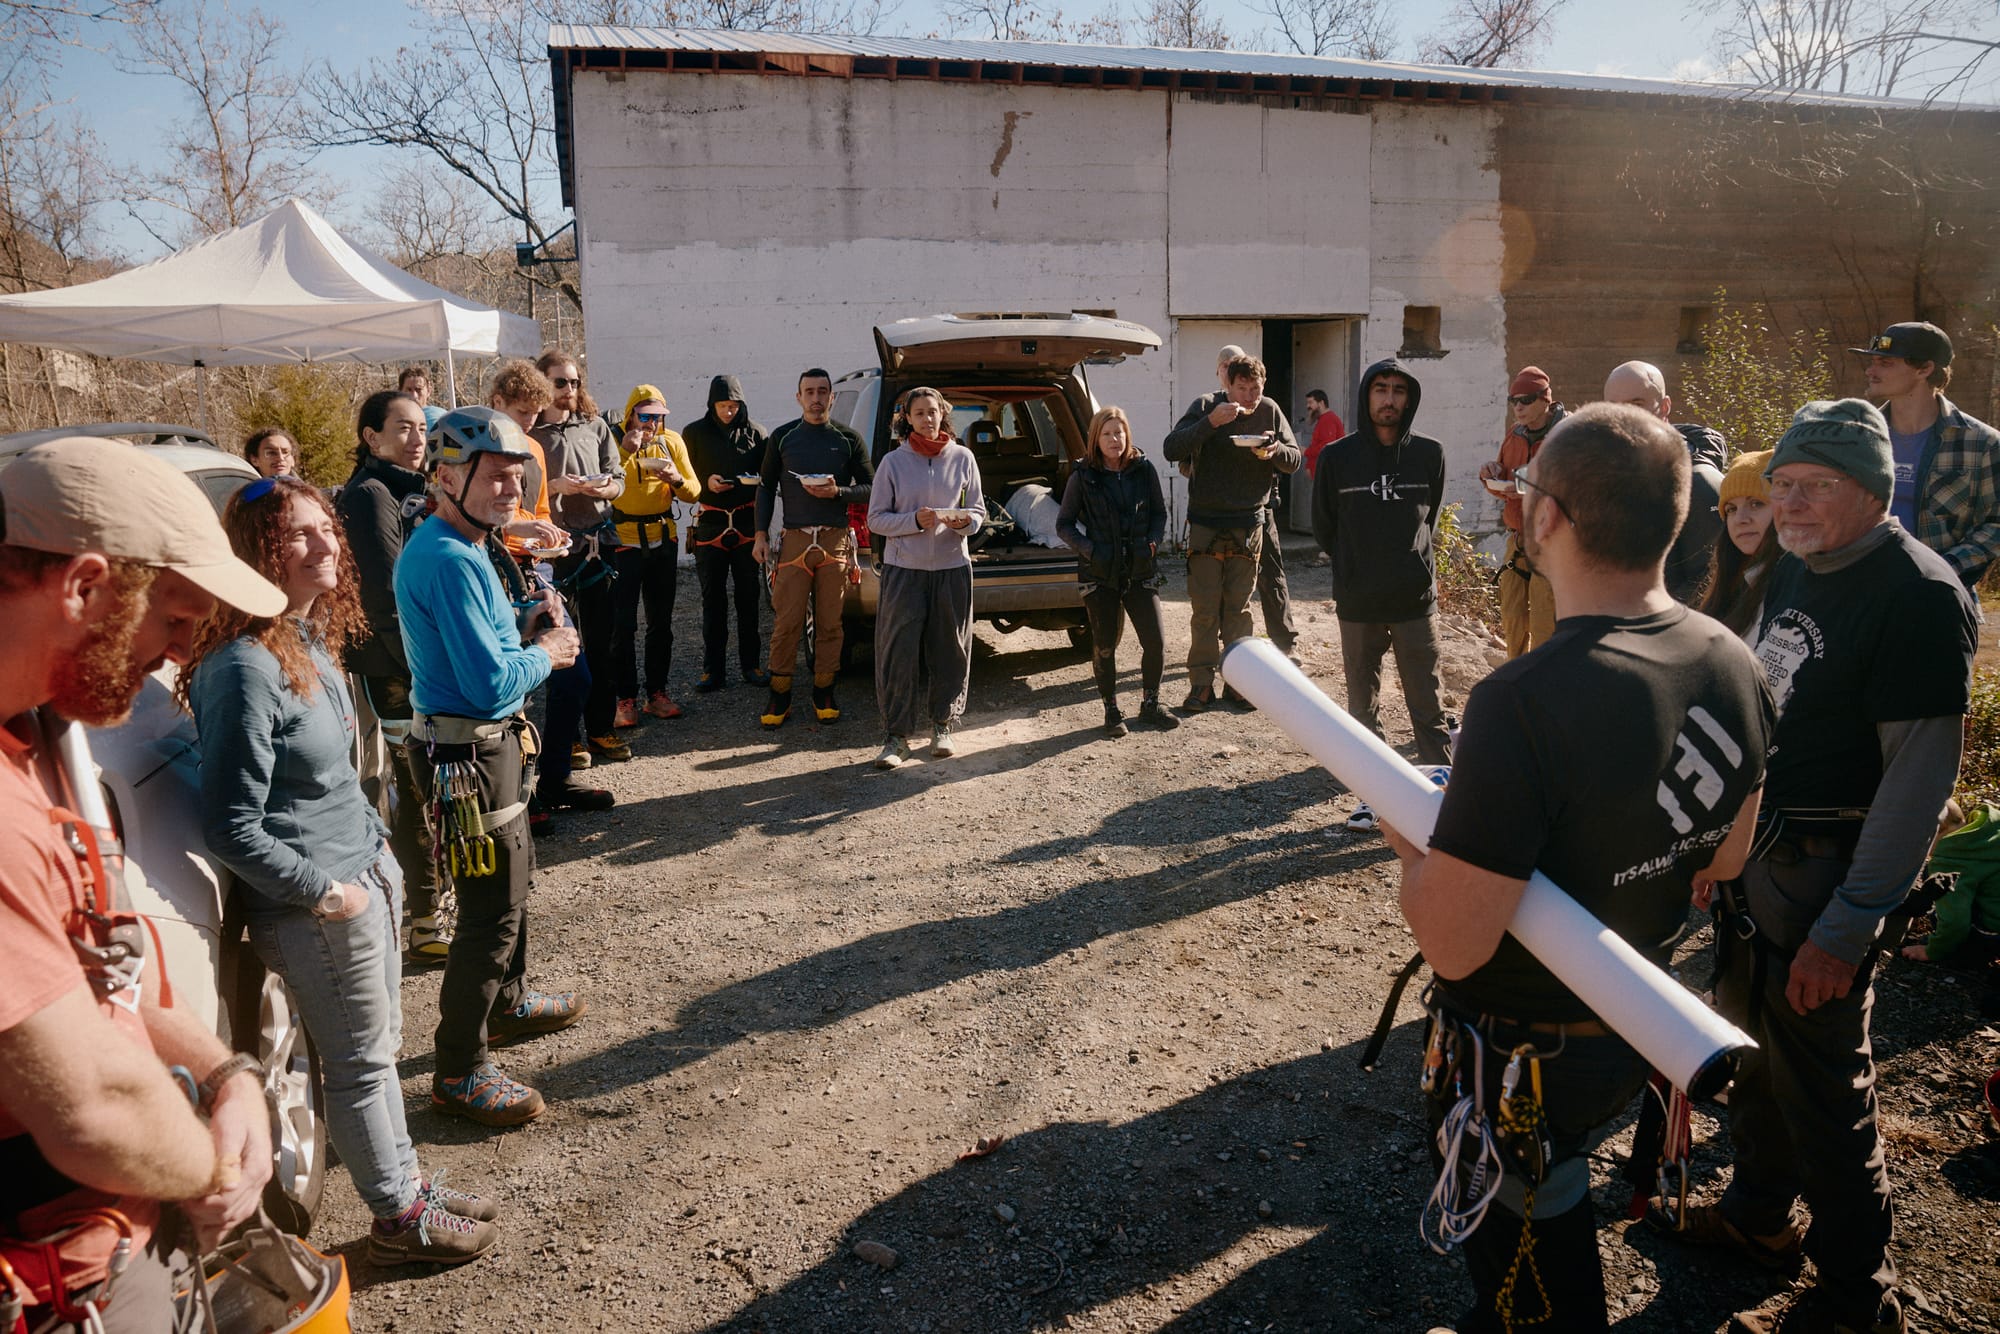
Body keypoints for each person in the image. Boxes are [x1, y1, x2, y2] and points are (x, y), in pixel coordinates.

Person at [1382, 403, 1772, 1334]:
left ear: (1546, 517)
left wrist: (1409, 835)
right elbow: (1726, 852)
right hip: (1637, 1024)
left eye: (1524, 493)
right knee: (1542, 1207)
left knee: (1532, 1239)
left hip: (1523, 1052)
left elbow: (1453, 941)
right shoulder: (1731, 660)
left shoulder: (1523, 700)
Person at [1663, 400, 1976, 1334]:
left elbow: (1920, 783)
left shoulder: (1917, 594)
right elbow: (1767, 704)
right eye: (1782, 484)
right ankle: (1759, 1222)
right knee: (1755, 1059)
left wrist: (1846, 929)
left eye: (1814, 486)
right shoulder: (1802, 564)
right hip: (1762, 862)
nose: (1788, 503)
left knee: (1830, 1096)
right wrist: (1718, 850)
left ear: (1873, 490)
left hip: (1829, 880)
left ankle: (1856, 1303)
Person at [180, 476, 500, 1265]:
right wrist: (327, 891)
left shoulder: (304, 636)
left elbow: (334, 776)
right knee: (359, 1066)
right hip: (318, 909)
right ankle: (397, 1219)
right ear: (257, 553)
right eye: (299, 535)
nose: (326, 544)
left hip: (362, 877)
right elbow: (230, 823)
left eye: (327, 528)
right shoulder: (245, 667)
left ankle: (408, 1183)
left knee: (381, 1051)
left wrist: (379, 853)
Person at [0, 437, 281, 1330]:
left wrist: (228, 1074)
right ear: (83, 586)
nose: (174, 657)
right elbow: (91, 1107)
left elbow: (109, 965)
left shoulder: (44, 731)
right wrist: (219, 1170)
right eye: (173, 618)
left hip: (112, 1249)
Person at [394, 407, 588, 1127]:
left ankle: (507, 1005)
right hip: (467, 749)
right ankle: (460, 1069)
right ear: (446, 477)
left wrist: (521, 626)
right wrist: (549, 653)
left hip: (479, 746)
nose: (511, 490)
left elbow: (478, 644)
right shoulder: (446, 555)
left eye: (517, 476)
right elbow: (486, 684)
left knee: (511, 886)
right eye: (495, 476)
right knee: (488, 915)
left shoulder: (463, 542)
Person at [336, 390, 452, 966]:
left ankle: (434, 906)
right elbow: (382, 597)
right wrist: (420, 668)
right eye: (401, 429)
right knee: (419, 788)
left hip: (412, 661)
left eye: (420, 428)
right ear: (370, 437)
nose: (415, 438)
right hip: (397, 668)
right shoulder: (371, 495)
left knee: (432, 784)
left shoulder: (407, 491)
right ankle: (425, 920)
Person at [1310, 359, 1452, 767]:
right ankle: (1372, 789)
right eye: (1381, 389)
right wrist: (1354, 566)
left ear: (1409, 399)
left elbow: (1430, 518)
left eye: (1398, 390)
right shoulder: (1339, 456)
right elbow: (1324, 525)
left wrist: (1411, 568)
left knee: (1428, 702)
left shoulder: (1430, 453)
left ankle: (1437, 791)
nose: (1389, 399)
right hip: (1359, 600)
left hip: (1414, 599)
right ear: (1366, 395)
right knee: (1362, 705)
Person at [486, 361, 608, 822]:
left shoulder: (534, 448)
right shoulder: (478, 447)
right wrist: (523, 529)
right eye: (521, 413)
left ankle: (554, 780)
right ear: (497, 402)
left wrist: (551, 538)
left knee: (574, 675)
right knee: (517, 692)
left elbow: (535, 516)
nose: (529, 422)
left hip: (536, 573)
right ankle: (520, 797)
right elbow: (480, 520)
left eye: (536, 413)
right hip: (495, 576)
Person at [1162, 352, 1300, 713]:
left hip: (1249, 524)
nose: (1251, 397)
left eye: (1256, 388)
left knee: (1239, 610)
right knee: (1205, 609)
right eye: (1243, 389)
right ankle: (1201, 685)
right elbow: (1171, 447)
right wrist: (1210, 422)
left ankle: (1238, 683)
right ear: (1229, 386)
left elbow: (1294, 459)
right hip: (1207, 523)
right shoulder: (1207, 406)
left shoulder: (1269, 409)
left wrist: (1273, 452)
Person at [866, 387, 983, 769]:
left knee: (950, 648)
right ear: (908, 418)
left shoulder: (963, 457)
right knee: (898, 653)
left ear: (943, 414)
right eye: (919, 413)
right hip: (905, 571)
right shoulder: (892, 463)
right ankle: (896, 738)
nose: (927, 419)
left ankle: (943, 726)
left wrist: (966, 521)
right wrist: (914, 521)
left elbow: (978, 509)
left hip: (952, 568)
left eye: (933, 412)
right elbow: (876, 520)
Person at [755, 368, 873, 729]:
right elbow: (764, 488)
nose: (817, 398)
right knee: (787, 620)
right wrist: (760, 535)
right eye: (810, 391)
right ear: (799, 397)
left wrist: (838, 492)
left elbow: (871, 487)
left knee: (830, 622)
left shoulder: (848, 438)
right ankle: (780, 695)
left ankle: (824, 691)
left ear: (832, 398)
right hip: (794, 539)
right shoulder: (782, 437)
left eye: (823, 391)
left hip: (836, 539)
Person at [1850, 320, 2000, 587]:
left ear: (1925, 369)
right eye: (1872, 361)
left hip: (1937, 599)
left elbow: (1995, 525)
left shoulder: (1981, 444)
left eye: (1886, 363)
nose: (1870, 371)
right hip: (1858, 591)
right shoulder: (1856, 438)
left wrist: (1939, 571)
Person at [532, 350, 628, 766]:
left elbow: (618, 477)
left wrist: (605, 489)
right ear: (543, 385)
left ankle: (601, 728)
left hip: (599, 545)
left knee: (604, 642)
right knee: (564, 645)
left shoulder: (596, 426)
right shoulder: (532, 435)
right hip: (557, 553)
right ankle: (569, 737)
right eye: (560, 382)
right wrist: (556, 486)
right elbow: (522, 494)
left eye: (573, 382)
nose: (569, 389)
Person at [1058, 406, 1178, 736]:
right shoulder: (1084, 475)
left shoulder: (1144, 469)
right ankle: (1111, 710)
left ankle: (1150, 704)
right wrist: (1091, 549)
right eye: (1108, 433)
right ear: (1096, 439)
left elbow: (1159, 514)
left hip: (1140, 569)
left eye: (1120, 432)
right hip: (1100, 573)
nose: (1115, 439)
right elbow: (1064, 524)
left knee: (1155, 641)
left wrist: (1152, 543)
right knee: (1105, 643)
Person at [608, 384, 698, 727]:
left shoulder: (671, 442)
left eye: (658, 417)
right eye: (645, 416)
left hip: (663, 537)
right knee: (622, 625)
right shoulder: (613, 441)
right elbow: (604, 479)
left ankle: (656, 693)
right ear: (631, 414)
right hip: (623, 540)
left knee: (661, 623)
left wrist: (675, 479)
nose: (651, 424)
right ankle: (625, 698)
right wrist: (626, 452)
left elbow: (694, 491)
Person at [1603, 360, 1726, 603]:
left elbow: (1710, 579)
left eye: (1637, 404)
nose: (1625, 417)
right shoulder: (1614, 470)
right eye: (1614, 407)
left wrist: (1647, 623)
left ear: (1665, 406)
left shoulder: (1697, 481)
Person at [682, 375, 771, 693]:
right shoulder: (693, 433)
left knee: (749, 598)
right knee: (712, 600)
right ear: (712, 405)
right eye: (723, 406)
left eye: (733, 406)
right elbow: (684, 475)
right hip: (711, 522)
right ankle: (712, 670)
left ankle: (752, 665)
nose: (729, 412)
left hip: (747, 522)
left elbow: (767, 478)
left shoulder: (757, 433)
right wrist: (707, 482)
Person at [1478, 367, 1564, 658]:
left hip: (1552, 543)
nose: (1518, 407)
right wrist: (1491, 473)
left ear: (1545, 400)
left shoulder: (1567, 436)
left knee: (1543, 623)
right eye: (1513, 400)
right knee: (1512, 616)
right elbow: (1503, 482)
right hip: (1518, 540)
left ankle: (1540, 685)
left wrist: (1532, 490)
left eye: (1525, 400)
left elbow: (1578, 489)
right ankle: (1515, 676)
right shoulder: (1514, 435)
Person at [1697, 448, 1778, 643]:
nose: (1740, 519)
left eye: (1756, 504)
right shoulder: (1732, 588)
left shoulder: (1791, 588)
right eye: (1731, 509)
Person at [1302, 388, 1346, 480]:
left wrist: (1306, 451)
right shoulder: (1323, 419)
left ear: (1321, 403)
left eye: (1310, 402)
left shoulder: (1328, 420)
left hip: (1327, 476)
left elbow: (1326, 446)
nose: (1308, 406)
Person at [398, 365, 445, 430]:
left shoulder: (440, 419)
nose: (414, 395)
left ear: (428, 391)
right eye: (409, 390)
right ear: (400, 392)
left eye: (418, 389)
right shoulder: (394, 421)